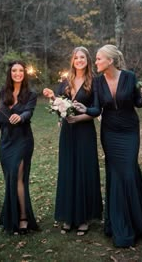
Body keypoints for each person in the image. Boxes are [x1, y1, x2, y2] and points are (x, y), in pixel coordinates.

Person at [74, 44, 142, 247]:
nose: (95, 62)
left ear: (110, 60)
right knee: (115, 174)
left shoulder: (129, 77)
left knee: (129, 172)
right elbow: (96, 109)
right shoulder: (97, 82)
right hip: (110, 132)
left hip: (129, 131)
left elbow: (138, 102)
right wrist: (84, 108)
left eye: (98, 58)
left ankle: (139, 222)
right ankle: (118, 224)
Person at [43, 46, 102, 236]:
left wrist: (79, 117)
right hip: (68, 133)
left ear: (88, 60)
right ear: (72, 60)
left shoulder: (95, 82)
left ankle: (83, 218)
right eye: (76, 57)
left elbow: (96, 110)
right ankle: (68, 217)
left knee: (84, 170)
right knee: (68, 171)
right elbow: (59, 107)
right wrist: (53, 99)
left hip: (85, 131)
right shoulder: (65, 82)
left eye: (82, 57)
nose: (79, 60)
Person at [0, 61, 40, 235]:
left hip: (23, 140)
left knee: (18, 178)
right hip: (6, 142)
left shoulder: (31, 94)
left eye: (21, 71)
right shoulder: (4, 91)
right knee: (10, 179)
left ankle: (23, 217)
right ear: (10, 73)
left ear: (25, 73)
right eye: (14, 71)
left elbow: (29, 112)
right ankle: (11, 216)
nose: (18, 73)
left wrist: (21, 116)